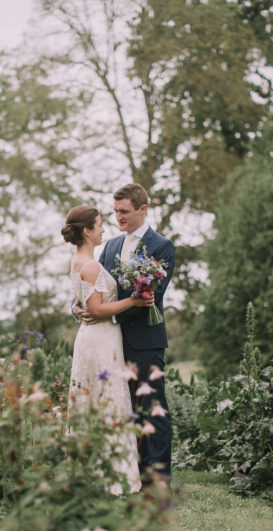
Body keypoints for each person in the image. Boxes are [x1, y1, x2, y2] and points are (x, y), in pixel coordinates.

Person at [73, 184, 176, 487]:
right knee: (120, 408)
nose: (117, 217)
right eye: (115, 211)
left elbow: (150, 298)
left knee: (152, 408)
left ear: (142, 209)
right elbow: (97, 287)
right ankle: (128, 471)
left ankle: (158, 478)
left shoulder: (162, 246)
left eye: (124, 212)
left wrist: (108, 313)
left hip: (145, 342)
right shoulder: (111, 246)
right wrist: (78, 307)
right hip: (111, 343)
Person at [62, 205, 154, 495]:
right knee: (107, 400)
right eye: (99, 225)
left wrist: (79, 308)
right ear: (87, 231)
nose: (104, 229)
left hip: (95, 336)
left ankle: (90, 471)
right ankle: (112, 476)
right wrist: (134, 302)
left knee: (95, 400)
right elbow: (98, 308)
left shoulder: (81, 260)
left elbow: (86, 303)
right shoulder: (89, 265)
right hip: (99, 338)